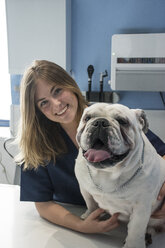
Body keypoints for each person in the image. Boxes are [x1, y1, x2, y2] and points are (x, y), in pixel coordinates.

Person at [16, 60, 165, 234]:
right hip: (79, 221)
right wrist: (81, 226)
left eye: (57, 91)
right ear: (37, 111)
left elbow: (161, 153)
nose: (56, 104)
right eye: (44, 103)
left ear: (70, 85)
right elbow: (43, 204)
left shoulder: (115, 118)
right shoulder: (39, 144)